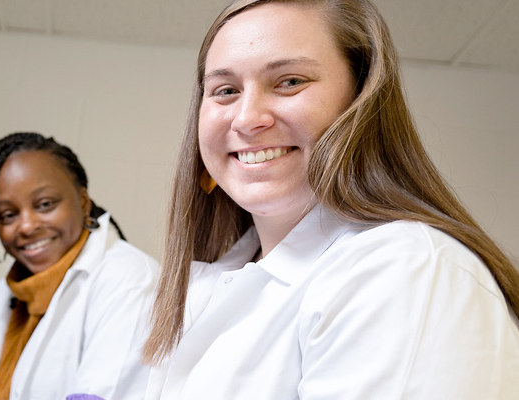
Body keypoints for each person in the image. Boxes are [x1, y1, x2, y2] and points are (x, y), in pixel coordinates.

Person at [141, 0, 519, 399]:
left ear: (362, 100)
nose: (247, 118)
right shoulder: (215, 280)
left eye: (290, 81)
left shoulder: (403, 269)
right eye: (226, 90)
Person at [0, 132, 159, 400]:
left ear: (84, 201)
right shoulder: (11, 294)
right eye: (8, 215)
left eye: (45, 204)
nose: (27, 225)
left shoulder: (130, 280)